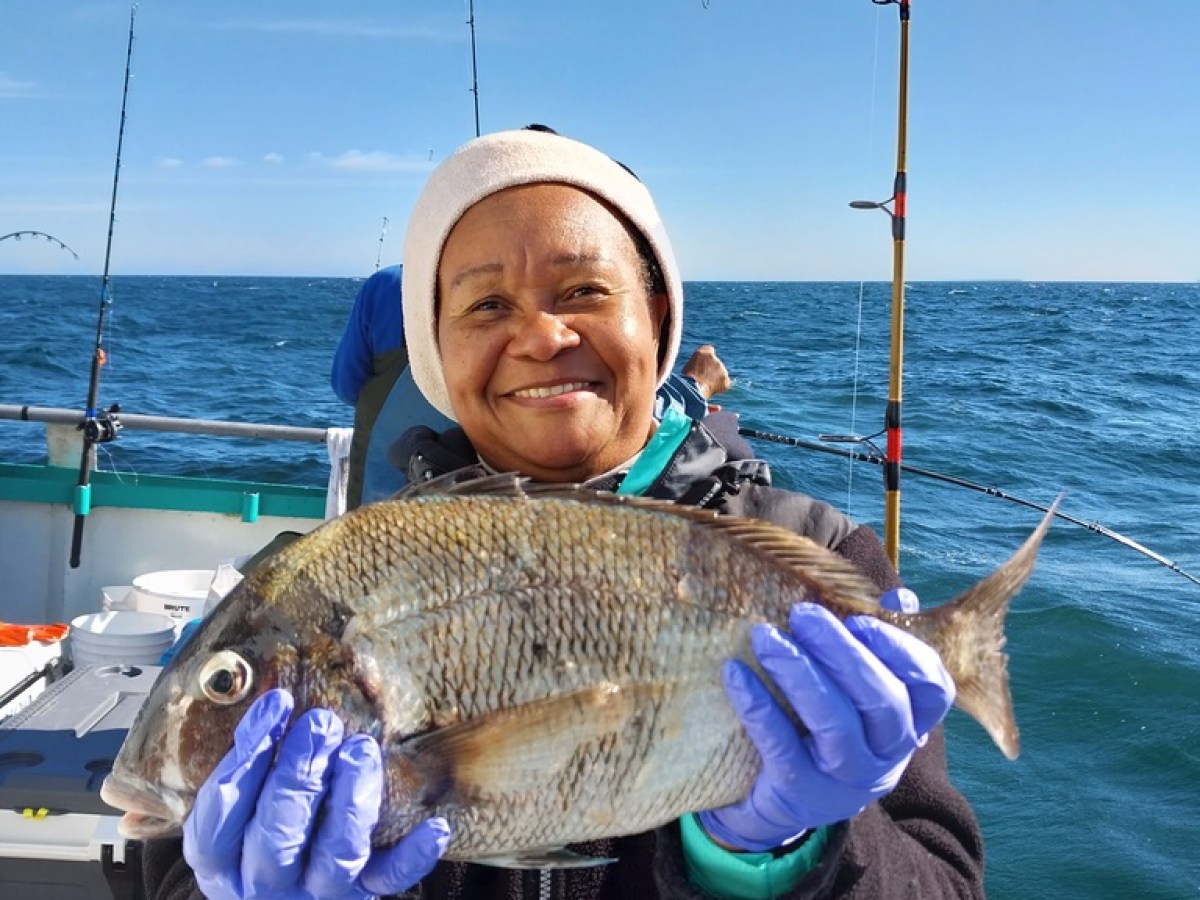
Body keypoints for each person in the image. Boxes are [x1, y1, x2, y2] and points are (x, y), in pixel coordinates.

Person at [142, 129, 980, 900]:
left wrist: (791, 852)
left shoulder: (818, 551)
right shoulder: (341, 572)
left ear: (655, 315)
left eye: (583, 289)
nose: (541, 336)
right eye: (485, 305)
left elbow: (942, 883)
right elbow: (170, 868)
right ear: (435, 344)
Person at [333, 269, 734, 509]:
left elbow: (346, 384)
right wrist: (695, 387)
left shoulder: (384, 286)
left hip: (377, 497)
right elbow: (630, 404)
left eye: (584, 291)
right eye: (488, 305)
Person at [330, 265, 451, 510]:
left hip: (381, 481)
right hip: (470, 481)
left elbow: (346, 385)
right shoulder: (492, 280)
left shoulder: (384, 283)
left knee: (374, 543)